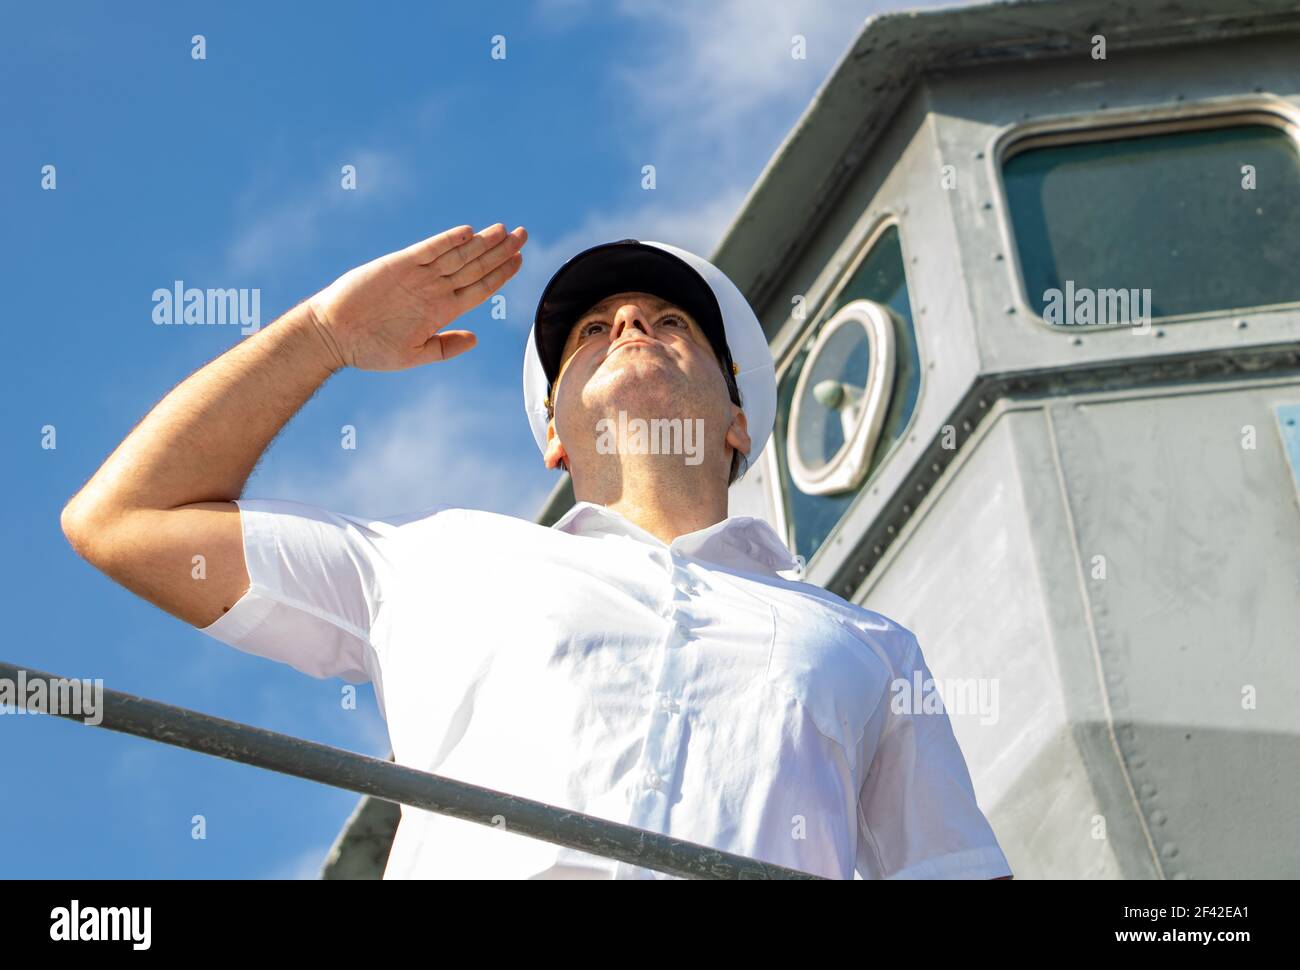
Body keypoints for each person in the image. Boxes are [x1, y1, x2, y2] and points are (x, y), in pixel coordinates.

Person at [61, 223, 1012, 880]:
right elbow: (125, 521)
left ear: (736, 418)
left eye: (670, 321)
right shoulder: (437, 562)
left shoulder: (872, 646)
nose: (631, 326)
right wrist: (322, 336)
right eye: (594, 331)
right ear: (554, 435)